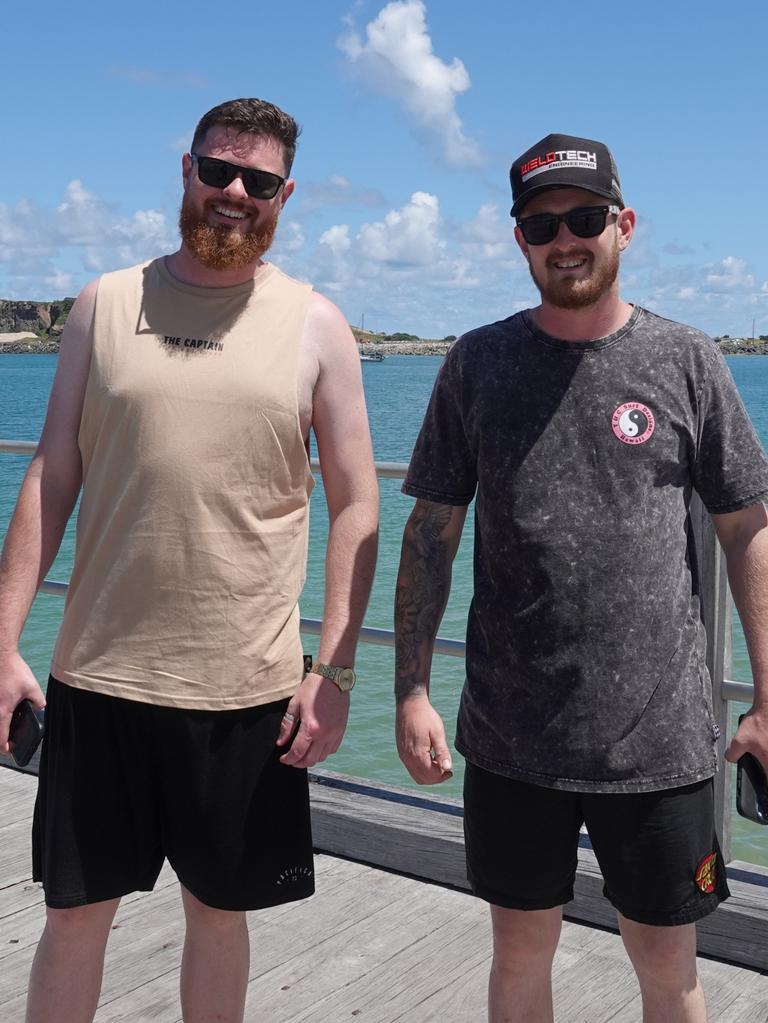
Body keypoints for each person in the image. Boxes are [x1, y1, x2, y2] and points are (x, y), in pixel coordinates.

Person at [0, 97, 379, 1023]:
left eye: (258, 180)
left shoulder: (318, 325)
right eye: (218, 171)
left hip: (244, 692)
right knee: (74, 915)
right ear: (186, 172)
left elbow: (358, 503)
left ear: (286, 194)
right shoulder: (104, 304)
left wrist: (332, 671)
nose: (235, 193)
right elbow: (53, 473)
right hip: (98, 674)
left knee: (219, 915)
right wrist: (3, 642)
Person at [394, 132, 768, 1023]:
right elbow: (431, 531)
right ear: (519, 238)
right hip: (512, 741)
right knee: (520, 956)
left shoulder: (688, 360)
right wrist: (409, 687)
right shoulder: (476, 363)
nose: (565, 238)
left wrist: (766, 696)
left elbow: (748, 527)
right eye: (541, 224)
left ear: (624, 225)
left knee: (667, 966)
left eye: (585, 218)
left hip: (662, 744)